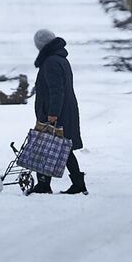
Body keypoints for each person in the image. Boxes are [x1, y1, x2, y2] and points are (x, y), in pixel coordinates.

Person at [27, 28, 86, 195]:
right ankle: (75, 183)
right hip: (64, 110)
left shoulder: (51, 62)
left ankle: (45, 185)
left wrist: (52, 114)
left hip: (55, 112)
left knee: (46, 146)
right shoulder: (59, 59)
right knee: (60, 148)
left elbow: (56, 90)